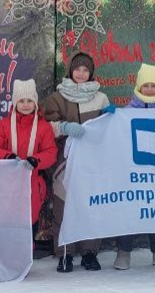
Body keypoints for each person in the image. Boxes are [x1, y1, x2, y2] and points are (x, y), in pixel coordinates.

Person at [43, 50, 110, 272]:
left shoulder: (100, 98)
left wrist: (111, 117)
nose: (81, 73)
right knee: (63, 207)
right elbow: (46, 127)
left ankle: (90, 252)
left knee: (91, 206)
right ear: (70, 71)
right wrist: (63, 127)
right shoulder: (57, 97)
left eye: (85, 70)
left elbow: (107, 129)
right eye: (77, 69)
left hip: (91, 161)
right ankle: (65, 252)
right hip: (64, 160)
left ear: (91, 73)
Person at [109, 64, 155, 270]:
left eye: (153, 85)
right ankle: (123, 252)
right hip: (134, 171)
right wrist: (109, 119)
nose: (149, 89)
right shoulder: (128, 112)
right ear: (138, 87)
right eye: (145, 85)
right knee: (130, 208)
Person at [0, 79, 58, 236]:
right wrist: (8, 156)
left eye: (29, 101)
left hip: (33, 185)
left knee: (30, 223)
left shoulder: (43, 127)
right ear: (15, 103)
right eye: (21, 101)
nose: (25, 105)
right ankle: (6, 249)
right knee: (6, 223)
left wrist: (36, 160)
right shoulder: (3, 125)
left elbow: (51, 153)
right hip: (7, 184)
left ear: (35, 103)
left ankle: (28, 250)